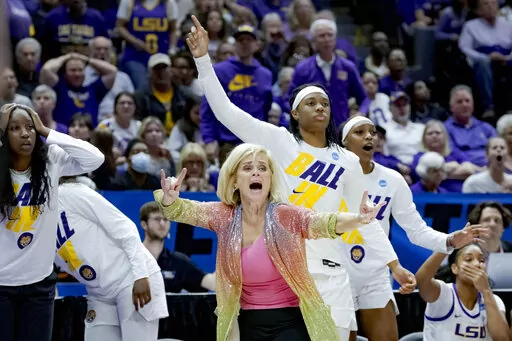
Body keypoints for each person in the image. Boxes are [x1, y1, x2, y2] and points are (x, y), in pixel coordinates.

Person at [186, 15, 412, 340]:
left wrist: (394, 265)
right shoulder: (280, 142)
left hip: (333, 271)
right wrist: (203, 61)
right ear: (294, 113)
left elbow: (365, 219)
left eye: (325, 103)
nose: (320, 107)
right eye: (310, 103)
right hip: (285, 271)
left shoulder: (348, 160)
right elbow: (226, 112)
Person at [155, 143, 386, 341]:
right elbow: (183, 211)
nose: (256, 173)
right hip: (245, 322)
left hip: (290, 322)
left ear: (270, 178)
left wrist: (359, 218)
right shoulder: (224, 216)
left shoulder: (286, 216)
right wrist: (170, 199)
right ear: (234, 181)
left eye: (262, 168)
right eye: (248, 168)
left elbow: (325, 222)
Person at [341, 115, 481, 340]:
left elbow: (416, 229)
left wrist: (449, 240)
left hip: (375, 272)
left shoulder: (392, 179)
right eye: (359, 132)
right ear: (343, 142)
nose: (369, 136)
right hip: (339, 269)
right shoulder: (331, 177)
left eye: (372, 132)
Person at [0, 103, 104, 341]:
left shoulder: (51, 162)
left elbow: (95, 158)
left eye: (29, 127)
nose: (25, 133)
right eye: (14, 128)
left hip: (39, 286)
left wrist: (47, 131)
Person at [55, 177, 168, 341]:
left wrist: (141, 275)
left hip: (131, 277)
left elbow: (126, 227)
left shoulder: (69, 192)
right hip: (98, 292)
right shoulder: (36, 219)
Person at [415, 243, 511, 341]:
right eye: (468, 259)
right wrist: (448, 245)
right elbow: (421, 280)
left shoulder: (494, 300)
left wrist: (486, 290)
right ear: (454, 268)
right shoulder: (443, 293)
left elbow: (503, 339)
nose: (477, 264)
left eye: (481, 260)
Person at [140, 201, 216, 292]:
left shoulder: (178, 262)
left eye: (166, 219)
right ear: (144, 224)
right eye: (157, 219)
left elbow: (213, 284)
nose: (162, 223)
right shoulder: (131, 258)